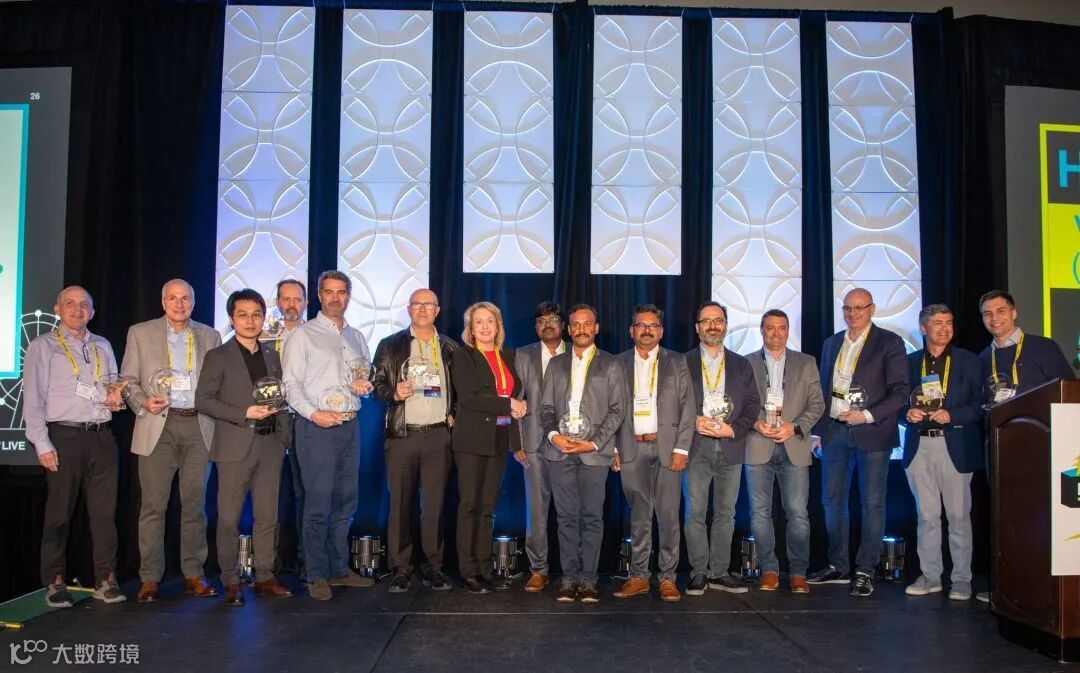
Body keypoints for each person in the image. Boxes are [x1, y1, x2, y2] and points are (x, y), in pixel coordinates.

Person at [24, 286, 128, 607]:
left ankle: (106, 579)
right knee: (59, 514)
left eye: (84, 305)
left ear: (92, 313)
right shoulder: (43, 346)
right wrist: (42, 443)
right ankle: (54, 580)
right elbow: (33, 400)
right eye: (70, 304)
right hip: (64, 437)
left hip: (101, 436)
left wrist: (116, 398)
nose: (77, 309)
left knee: (104, 515)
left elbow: (111, 386)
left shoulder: (103, 345)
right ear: (57, 309)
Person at [121, 278, 221, 602]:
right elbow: (127, 380)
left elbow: (218, 383)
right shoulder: (140, 333)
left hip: (198, 425)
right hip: (157, 425)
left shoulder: (210, 335)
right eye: (173, 298)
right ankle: (150, 577)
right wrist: (141, 401)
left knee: (195, 506)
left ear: (193, 302)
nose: (179, 304)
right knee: (153, 506)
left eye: (185, 299)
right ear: (163, 302)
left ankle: (193, 573)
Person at [807, 288, 909, 598]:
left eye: (860, 308)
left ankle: (865, 570)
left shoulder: (889, 342)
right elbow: (824, 391)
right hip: (835, 431)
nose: (853, 314)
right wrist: (817, 431)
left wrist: (865, 415)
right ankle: (838, 565)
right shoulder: (832, 343)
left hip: (872, 430)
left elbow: (900, 391)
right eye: (848, 308)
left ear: (872, 309)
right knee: (832, 501)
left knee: (872, 503)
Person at [281, 270, 375, 600]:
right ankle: (316, 573)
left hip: (349, 424)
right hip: (315, 427)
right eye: (329, 292)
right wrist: (313, 414)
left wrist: (364, 387)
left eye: (341, 292)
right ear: (320, 296)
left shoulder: (357, 336)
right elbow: (290, 385)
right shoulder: (303, 335)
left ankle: (338, 569)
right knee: (318, 502)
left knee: (346, 501)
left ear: (348, 296)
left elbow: (362, 377)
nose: (336, 298)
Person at [195, 289, 292, 606]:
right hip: (234, 445)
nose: (250, 321)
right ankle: (230, 579)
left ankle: (265, 576)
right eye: (243, 315)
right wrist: (243, 412)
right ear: (232, 318)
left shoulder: (272, 355)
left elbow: (279, 397)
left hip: (270, 445)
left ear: (264, 318)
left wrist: (284, 438)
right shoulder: (218, 356)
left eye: (256, 315)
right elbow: (203, 400)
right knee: (228, 518)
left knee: (268, 517)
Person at [371, 288, 458, 593]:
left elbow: (461, 389)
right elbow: (376, 385)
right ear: (409, 309)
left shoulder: (449, 347)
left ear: (437, 310)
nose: (422, 309)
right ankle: (400, 569)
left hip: (438, 435)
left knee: (434, 506)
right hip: (403, 435)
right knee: (400, 504)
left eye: (428, 305)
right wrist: (393, 393)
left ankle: (434, 567)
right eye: (417, 304)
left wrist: (454, 413)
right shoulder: (390, 344)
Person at [540, 303, 626, 603]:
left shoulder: (612, 364)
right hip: (560, 451)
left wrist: (595, 443)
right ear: (568, 328)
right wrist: (554, 436)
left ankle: (588, 581)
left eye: (587, 324)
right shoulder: (556, 364)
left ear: (596, 328)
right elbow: (546, 408)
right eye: (575, 324)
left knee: (592, 517)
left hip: (594, 453)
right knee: (565, 518)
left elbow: (617, 410)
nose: (581, 329)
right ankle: (568, 579)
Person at [901, 304, 983, 602]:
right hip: (919, 446)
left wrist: (953, 415)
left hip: (955, 445)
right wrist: (905, 414)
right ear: (923, 328)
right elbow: (896, 401)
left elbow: (980, 405)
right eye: (938, 323)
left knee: (959, 517)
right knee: (927, 517)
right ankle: (930, 576)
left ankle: (961, 580)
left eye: (949, 322)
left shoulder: (969, 361)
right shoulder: (909, 362)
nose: (945, 328)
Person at [612, 304, 694, 602]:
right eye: (641, 325)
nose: (646, 330)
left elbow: (688, 407)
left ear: (661, 331)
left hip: (667, 448)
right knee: (639, 516)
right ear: (631, 330)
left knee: (669, 515)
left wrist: (681, 447)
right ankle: (639, 577)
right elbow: (610, 408)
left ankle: (668, 577)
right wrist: (613, 448)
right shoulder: (617, 363)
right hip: (630, 447)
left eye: (652, 325)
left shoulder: (678, 362)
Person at [745, 309, 825, 594]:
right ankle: (769, 570)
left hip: (795, 445)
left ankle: (798, 572)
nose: (776, 333)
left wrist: (795, 427)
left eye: (782, 328)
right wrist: (756, 423)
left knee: (798, 513)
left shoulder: (806, 362)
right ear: (762, 330)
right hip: (758, 444)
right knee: (759, 513)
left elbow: (817, 404)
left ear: (788, 331)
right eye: (770, 328)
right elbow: (741, 404)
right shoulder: (746, 363)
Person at [683, 302, 760, 596]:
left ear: (725, 326)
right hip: (695, 445)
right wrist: (693, 420)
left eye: (718, 320)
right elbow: (672, 402)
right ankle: (699, 572)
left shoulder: (742, 364)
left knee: (726, 513)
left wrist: (734, 429)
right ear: (697, 328)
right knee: (695, 512)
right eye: (706, 321)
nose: (712, 326)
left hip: (731, 444)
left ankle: (719, 572)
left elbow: (752, 405)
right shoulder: (682, 362)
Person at [450, 302, 526, 594]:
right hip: (471, 439)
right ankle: (468, 572)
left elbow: (515, 392)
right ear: (470, 328)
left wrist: (519, 407)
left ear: (498, 326)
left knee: (487, 508)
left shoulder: (508, 355)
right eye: (478, 322)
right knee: (470, 505)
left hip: (499, 437)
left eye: (489, 321)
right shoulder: (463, 355)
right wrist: (509, 404)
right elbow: (469, 397)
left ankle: (484, 568)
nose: (484, 327)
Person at [512, 302, 566, 592]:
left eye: (553, 319)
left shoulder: (577, 352)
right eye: (542, 321)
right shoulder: (523, 355)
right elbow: (513, 400)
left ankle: (574, 570)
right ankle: (538, 569)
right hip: (532, 443)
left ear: (563, 325)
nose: (547, 324)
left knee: (571, 511)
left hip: (569, 442)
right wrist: (516, 442)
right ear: (535, 327)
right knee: (536, 511)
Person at [978, 290, 1072, 398]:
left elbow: (1069, 391)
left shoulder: (1044, 347)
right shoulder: (983, 357)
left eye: (1001, 311)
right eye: (987, 314)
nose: (994, 318)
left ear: (1014, 314)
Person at [274, 278, 308, 575]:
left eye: (297, 299)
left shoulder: (314, 335)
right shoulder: (262, 335)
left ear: (306, 303)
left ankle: (305, 558)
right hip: (268, 419)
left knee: (305, 492)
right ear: (277, 303)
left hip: (302, 419)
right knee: (266, 492)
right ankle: (268, 561)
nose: (291, 304)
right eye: (286, 299)